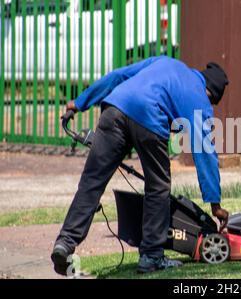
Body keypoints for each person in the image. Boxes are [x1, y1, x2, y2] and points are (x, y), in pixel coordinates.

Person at [51, 56, 229, 275]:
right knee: (158, 186)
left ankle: (65, 242)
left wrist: (80, 102)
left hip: (115, 108)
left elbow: (119, 75)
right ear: (210, 93)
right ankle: (152, 256)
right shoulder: (199, 97)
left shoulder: (165, 62)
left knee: (92, 182)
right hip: (149, 117)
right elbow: (205, 152)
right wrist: (215, 204)